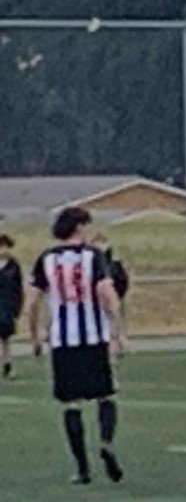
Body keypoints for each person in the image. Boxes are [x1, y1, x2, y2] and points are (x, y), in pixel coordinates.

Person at [24, 207, 126, 485]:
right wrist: (118, 332)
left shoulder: (46, 259)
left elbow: (31, 301)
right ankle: (106, 442)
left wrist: (34, 336)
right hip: (94, 338)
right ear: (79, 227)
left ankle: (82, 468)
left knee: (71, 404)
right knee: (106, 395)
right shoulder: (94, 257)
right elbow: (108, 294)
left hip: (63, 341)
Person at [0, 233, 21, 379]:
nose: (4, 250)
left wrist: (16, 308)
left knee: (6, 338)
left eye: (6, 247)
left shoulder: (14, 265)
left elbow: (18, 288)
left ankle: (8, 364)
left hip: (7, 306)